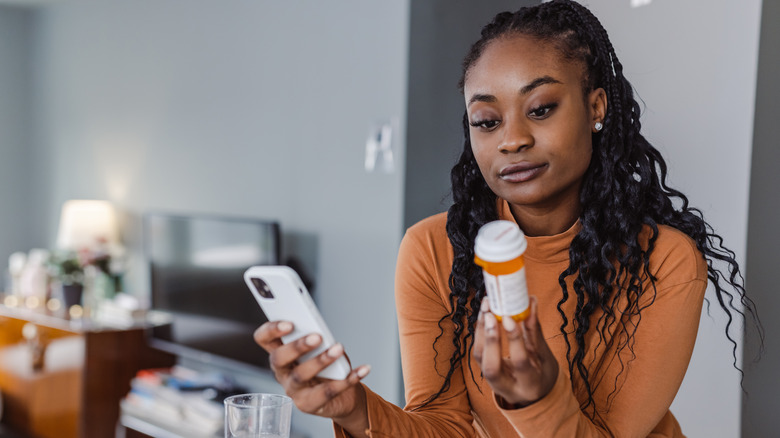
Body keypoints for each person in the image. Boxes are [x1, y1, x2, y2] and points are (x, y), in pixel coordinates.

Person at [254, 1, 761, 436]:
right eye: (487, 121)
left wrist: (538, 398)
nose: (511, 139)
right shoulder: (433, 249)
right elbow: (444, 426)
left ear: (596, 107)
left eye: (540, 108)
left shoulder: (666, 261)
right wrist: (355, 409)